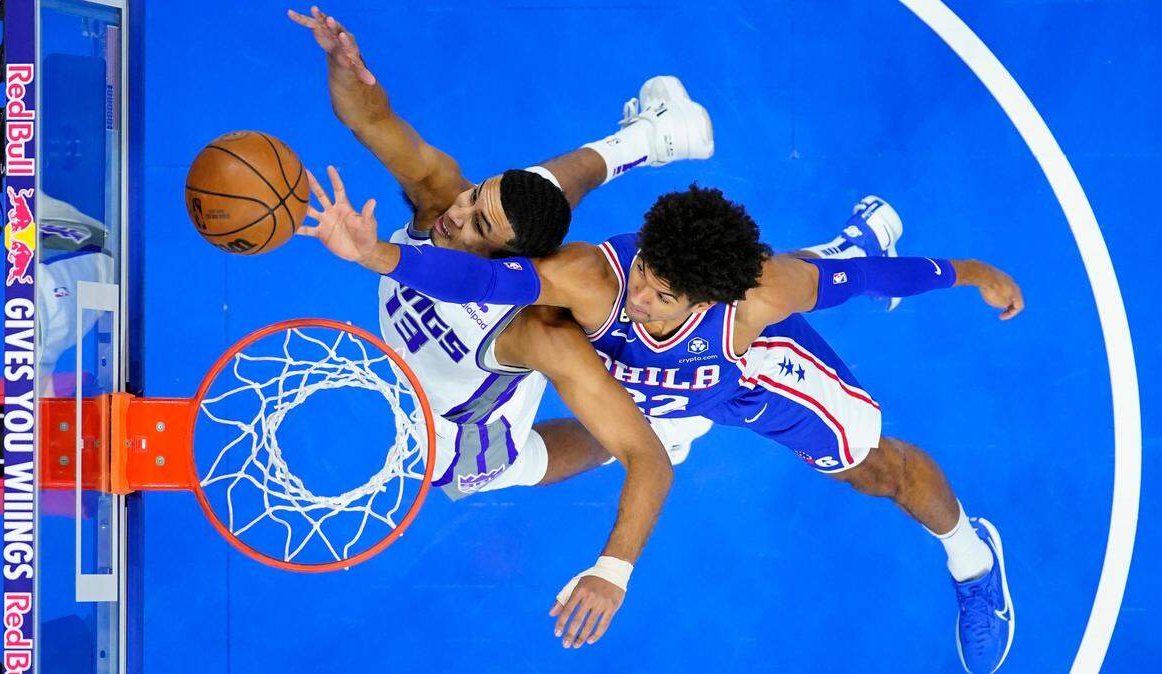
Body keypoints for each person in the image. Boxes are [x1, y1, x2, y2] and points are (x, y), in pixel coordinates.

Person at [293, 12, 1023, 674]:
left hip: (746, 380)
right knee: (592, 371)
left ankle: (970, 553)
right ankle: (655, 139)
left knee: (875, 468)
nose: (637, 297)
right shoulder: (590, 279)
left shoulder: (760, 299)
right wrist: (380, 253)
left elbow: (871, 279)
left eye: (661, 295)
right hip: (643, 389)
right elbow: (488, 285)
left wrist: (975, 273)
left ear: (709, 296)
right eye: (643, 271)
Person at [289, 7, 714, 649]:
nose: (456, 215)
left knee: (530, 460)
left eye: (477, 227)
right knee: (527, 193)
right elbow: (367, 117)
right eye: (470, 201)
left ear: (504, 264)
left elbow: (646, 462)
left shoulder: (535, 331)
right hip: (452, 323)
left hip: (463, 431)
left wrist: (613, 572)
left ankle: (665, 408)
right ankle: (652, 138)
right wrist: (341, 61)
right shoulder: (443, 204)